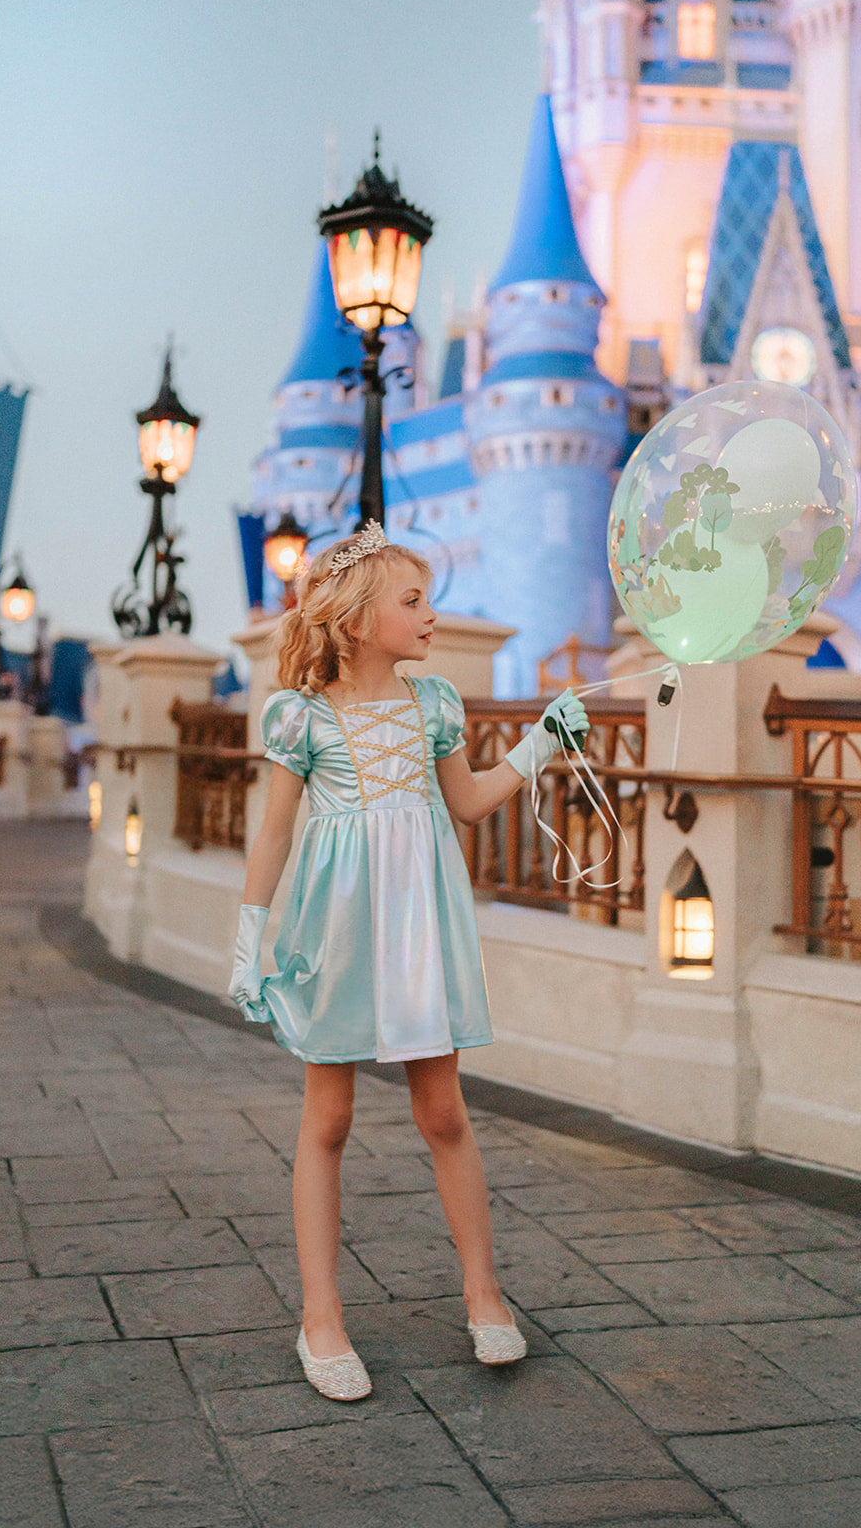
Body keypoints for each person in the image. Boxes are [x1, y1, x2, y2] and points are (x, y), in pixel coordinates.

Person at [227, 521, 588, 1402]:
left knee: (444, 1112)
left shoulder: (435, 706)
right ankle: (321, 1317)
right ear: (356, 619)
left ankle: (484, 1294)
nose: (433, 616)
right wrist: (247, 939)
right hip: (339, 934)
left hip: (421, 929)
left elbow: (465, 804)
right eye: (415, 601)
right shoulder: (301, 716)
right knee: (329, 1120)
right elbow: (275, 833)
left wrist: (539, 744)